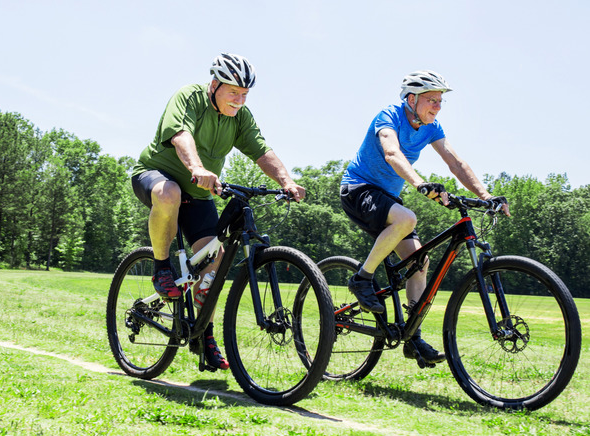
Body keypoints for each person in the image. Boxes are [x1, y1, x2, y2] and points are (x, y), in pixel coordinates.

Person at [131, 53, 305, 370]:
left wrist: (286, 180)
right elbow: (180, 134)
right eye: (233, 92)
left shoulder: (240, 117)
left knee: (216, 258)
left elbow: (260, 149)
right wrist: (197, 167)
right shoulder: (190, 97)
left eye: (244, 95)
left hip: (198, 195)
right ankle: (161, 267)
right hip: (157, 177)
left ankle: (203, 333)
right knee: (169, 193)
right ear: (214, 85)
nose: (239, 100)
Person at [339, 70, 509, 365]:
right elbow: (391, 153)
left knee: (419, 262)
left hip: (388, 198)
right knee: (407, 218)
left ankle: (413, 338)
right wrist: (420, 183)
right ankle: (362, 278)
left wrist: (485, 195)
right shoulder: (388, 117)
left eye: (440, 101)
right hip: (359, 190)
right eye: (432, 100)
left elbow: (455, 162)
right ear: (411, 99)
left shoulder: (432, 128)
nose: (437, 107)